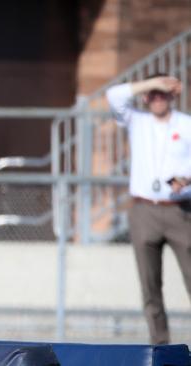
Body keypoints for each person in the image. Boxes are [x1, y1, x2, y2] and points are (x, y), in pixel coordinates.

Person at [106, 74, 191, 345]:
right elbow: (114, 96)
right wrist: (151, 84)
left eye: (162, 94)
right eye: (153, 94)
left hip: (180, 210)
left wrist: (187, 177)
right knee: (150, 285)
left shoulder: (186, 124)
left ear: (172, 96)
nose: (157, 99)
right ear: (145, 97)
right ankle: (160, 345)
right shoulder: (137, 121)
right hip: (145, 210)